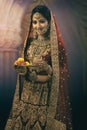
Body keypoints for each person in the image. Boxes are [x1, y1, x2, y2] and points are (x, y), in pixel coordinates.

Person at [5, 5, 73, 130]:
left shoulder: (56, 47)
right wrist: (22, 70)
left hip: (44, 96)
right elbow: (25, 65)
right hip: (27, 93)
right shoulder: (29, 42)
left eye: (42, 21)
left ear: (49, 22)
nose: (38, 26)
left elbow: (59, 75)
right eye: (34, 22)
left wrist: (47, 68)